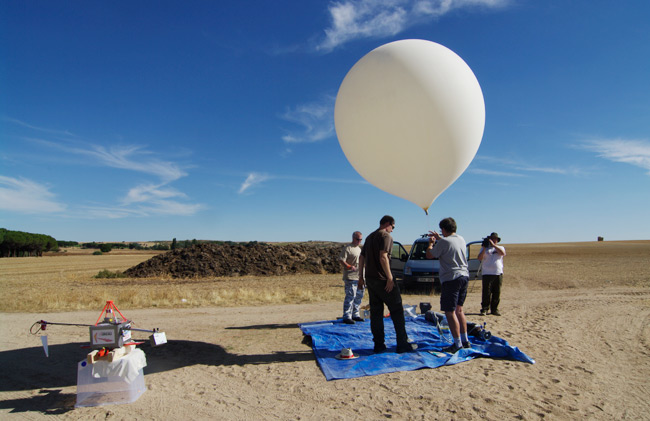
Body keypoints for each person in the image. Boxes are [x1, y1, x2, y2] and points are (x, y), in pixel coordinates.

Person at [358, 215, 417, 353]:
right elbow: (383, 256)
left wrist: (361, 277)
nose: (392, 230)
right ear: (388, 224)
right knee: (397, 310)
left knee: (376, 313)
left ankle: (379, 345)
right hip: (383, 280)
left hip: (371, 280)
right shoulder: (386, 236)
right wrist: (390, 278)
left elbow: (362, 257)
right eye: (393, 227)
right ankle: (402, 344)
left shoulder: (370, 237)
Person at [426, 217, 470, 353]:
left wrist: (431, 243)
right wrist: (440, 238)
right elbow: (449, 245)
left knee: (449, 312)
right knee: (459, 310)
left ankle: (457, 344)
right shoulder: (461, 239)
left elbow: (430, 255)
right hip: (464, 277)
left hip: (451, 279)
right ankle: (465, 340)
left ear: (444, 229)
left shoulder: (444, 242)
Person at [478, 232, 506, 316]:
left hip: (497, 273)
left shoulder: (500, 247)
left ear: (497, 240)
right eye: (491, 239)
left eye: (494, 239)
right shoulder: (485, 249)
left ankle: (494, 309)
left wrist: (494, 245)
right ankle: (484, 309)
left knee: (496, 292)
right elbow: (479, 258)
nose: (493, 240)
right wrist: (484, 248)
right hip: (487, 273)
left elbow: (502, 253)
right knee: (486, 292)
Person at [339, 231, 364, 324]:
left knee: (359, 296)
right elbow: (341, 260)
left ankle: (355, 314)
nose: (359, 241)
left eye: (361, 239)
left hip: (360, 277)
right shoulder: (347, 248)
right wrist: (349, 266)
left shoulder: (359, 249)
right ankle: (347, 316)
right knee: (350, 297)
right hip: (350, 277)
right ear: (353, 238)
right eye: (358, 239)